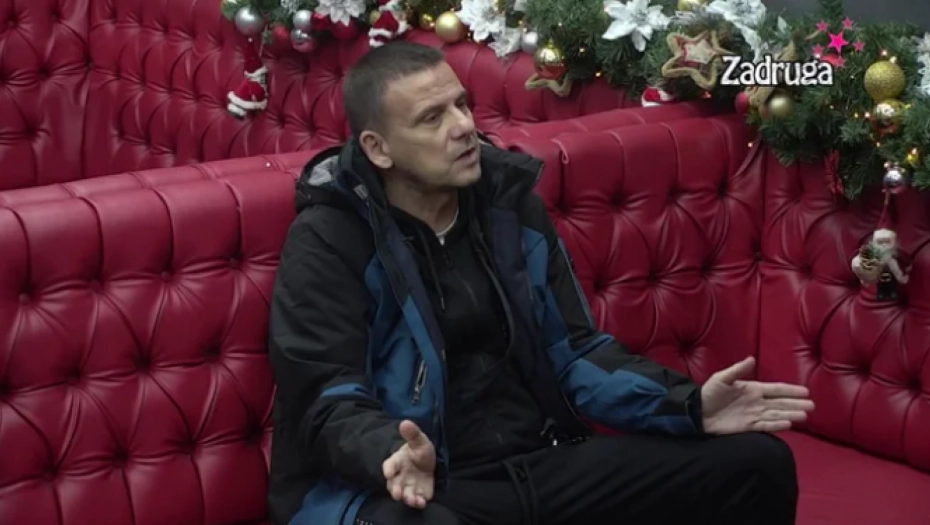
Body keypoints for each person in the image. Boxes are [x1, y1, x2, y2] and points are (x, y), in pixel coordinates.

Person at [267, 41, 814, 525]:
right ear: (378, 148)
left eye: (461, 105)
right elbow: (325, 395)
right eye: (432, 118)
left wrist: (688, 406)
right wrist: (390, 450)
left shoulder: (507, 205)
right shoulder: (330, 238)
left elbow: (573, 352)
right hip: (420, 482)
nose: (462, 126)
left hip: (537, 459)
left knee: (756, 464)